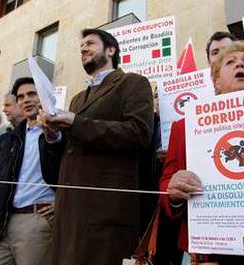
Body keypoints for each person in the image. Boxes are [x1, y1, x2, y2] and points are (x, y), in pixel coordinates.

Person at [41, 28, 154, 265]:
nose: (83, 48)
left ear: (111, 50)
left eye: (90, 43)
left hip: (105, 207)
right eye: (81, 46)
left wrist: (76, 122)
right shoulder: (77, 98)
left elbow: (139, 133)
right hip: (70, 207)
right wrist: (53, 137)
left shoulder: (133, 83)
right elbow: (74, 144)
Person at [159, 41, 244, 264]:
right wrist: (174, 188)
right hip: (210, 247)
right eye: (230, 62)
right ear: (217, 81)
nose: (240, 64)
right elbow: (167, 182)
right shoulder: (185, 125)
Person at [0, 77, 63, 265]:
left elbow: (78, 174)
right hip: (1, 224)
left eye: (32, 94)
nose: (26, 100)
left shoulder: (64, 133)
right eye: (21, 97)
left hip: (38, 223)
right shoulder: (7, 140)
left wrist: (64, 203)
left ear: (45, 96)